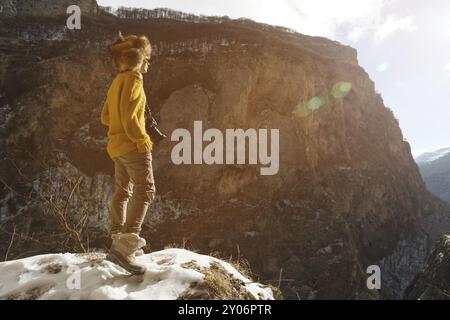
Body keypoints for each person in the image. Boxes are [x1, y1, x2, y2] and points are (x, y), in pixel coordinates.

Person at [100, 32, 155, 275]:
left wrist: (121, 131)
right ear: (139, 60)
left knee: (122, 192)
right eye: (147, 59)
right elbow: (129, 117)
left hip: (116, 146)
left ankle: (116, 239)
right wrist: (142, 139)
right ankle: (126, 247)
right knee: (145, 191)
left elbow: (106, 117)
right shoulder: (134, 80)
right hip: (133, 147)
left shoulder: (117, 80)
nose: (148, 64)